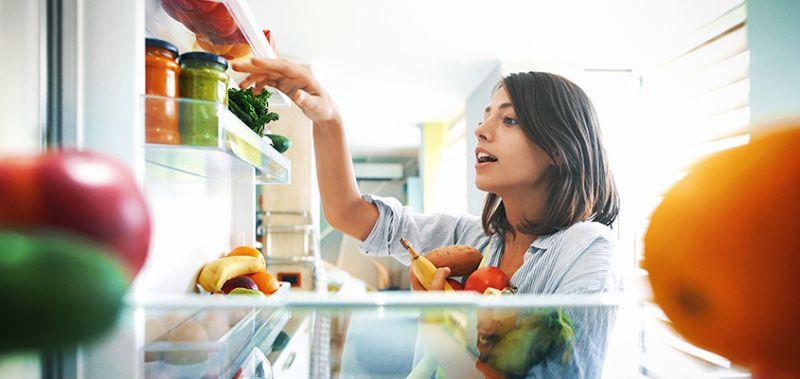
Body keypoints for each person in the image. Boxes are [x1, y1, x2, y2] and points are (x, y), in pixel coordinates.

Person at [234, 58, 621, 378]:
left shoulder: (587, 248)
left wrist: (438, 327)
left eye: (509, 120)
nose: (481, 129)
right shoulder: (475, 238)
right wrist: (327, 117)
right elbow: (348, 213)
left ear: (559, 147)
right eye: (486, 116)